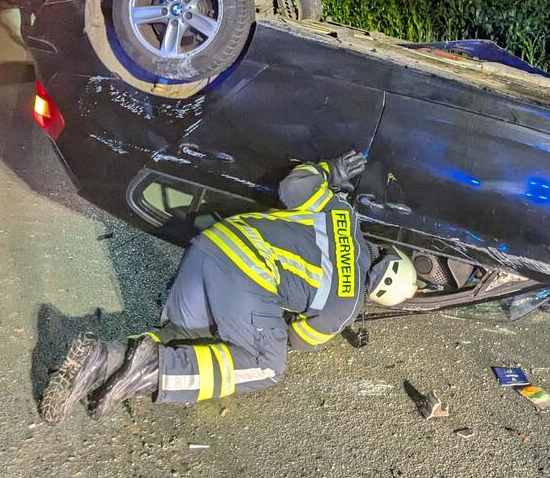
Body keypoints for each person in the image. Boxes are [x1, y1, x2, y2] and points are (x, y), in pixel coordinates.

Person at [40, 151, 418, 422]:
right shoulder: (347, 306)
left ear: (386, 253)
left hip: (214, 243)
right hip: (248, 272)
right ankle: (158, 371)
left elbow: (295, 184)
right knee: (267, 365)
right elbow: (297, 337)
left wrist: (331, 171)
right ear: (379, 295)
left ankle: (100, 358)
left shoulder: (341, 214)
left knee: (189, 336)